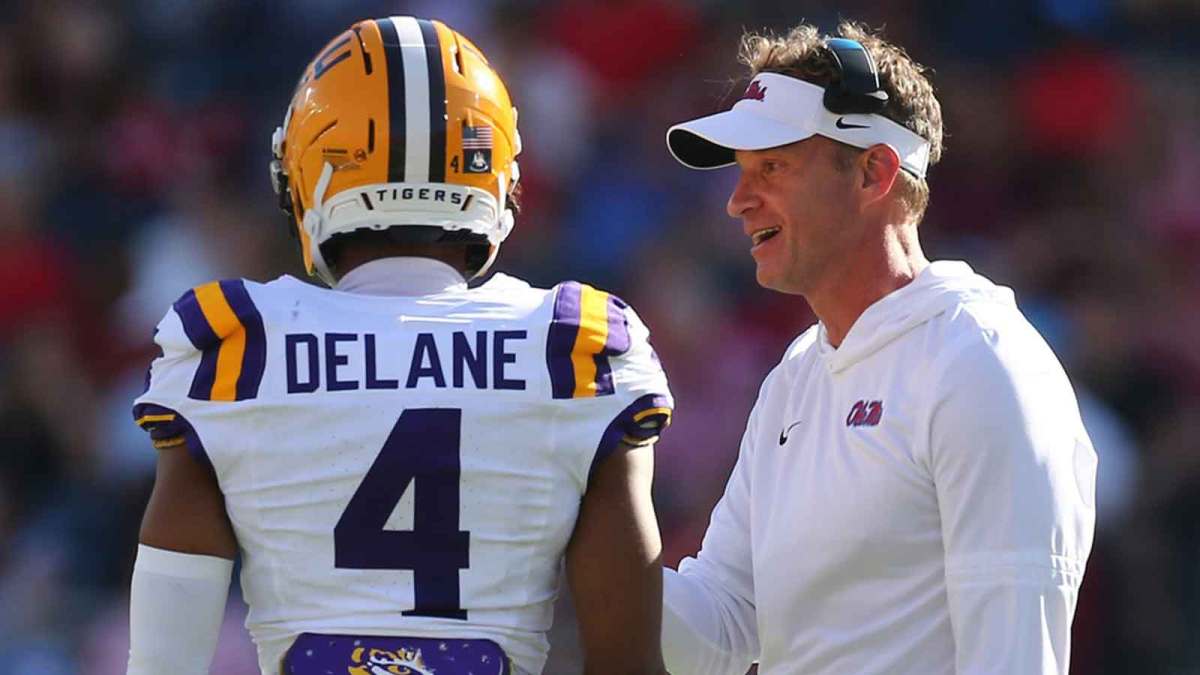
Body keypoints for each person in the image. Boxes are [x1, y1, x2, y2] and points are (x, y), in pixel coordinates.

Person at [125, 16, 672, 675]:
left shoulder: (239, 344)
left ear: (307, 168)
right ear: (492, 174)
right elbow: (628, 661)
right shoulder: (570, 346)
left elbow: (163, 663)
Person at [660, 21, 1096, 675]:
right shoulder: (795, 378)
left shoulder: (980, 364)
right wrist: (572, 536)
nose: (738, 202)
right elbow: (721, 625)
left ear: (874, 173)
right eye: (742, 172)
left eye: (772, 166)